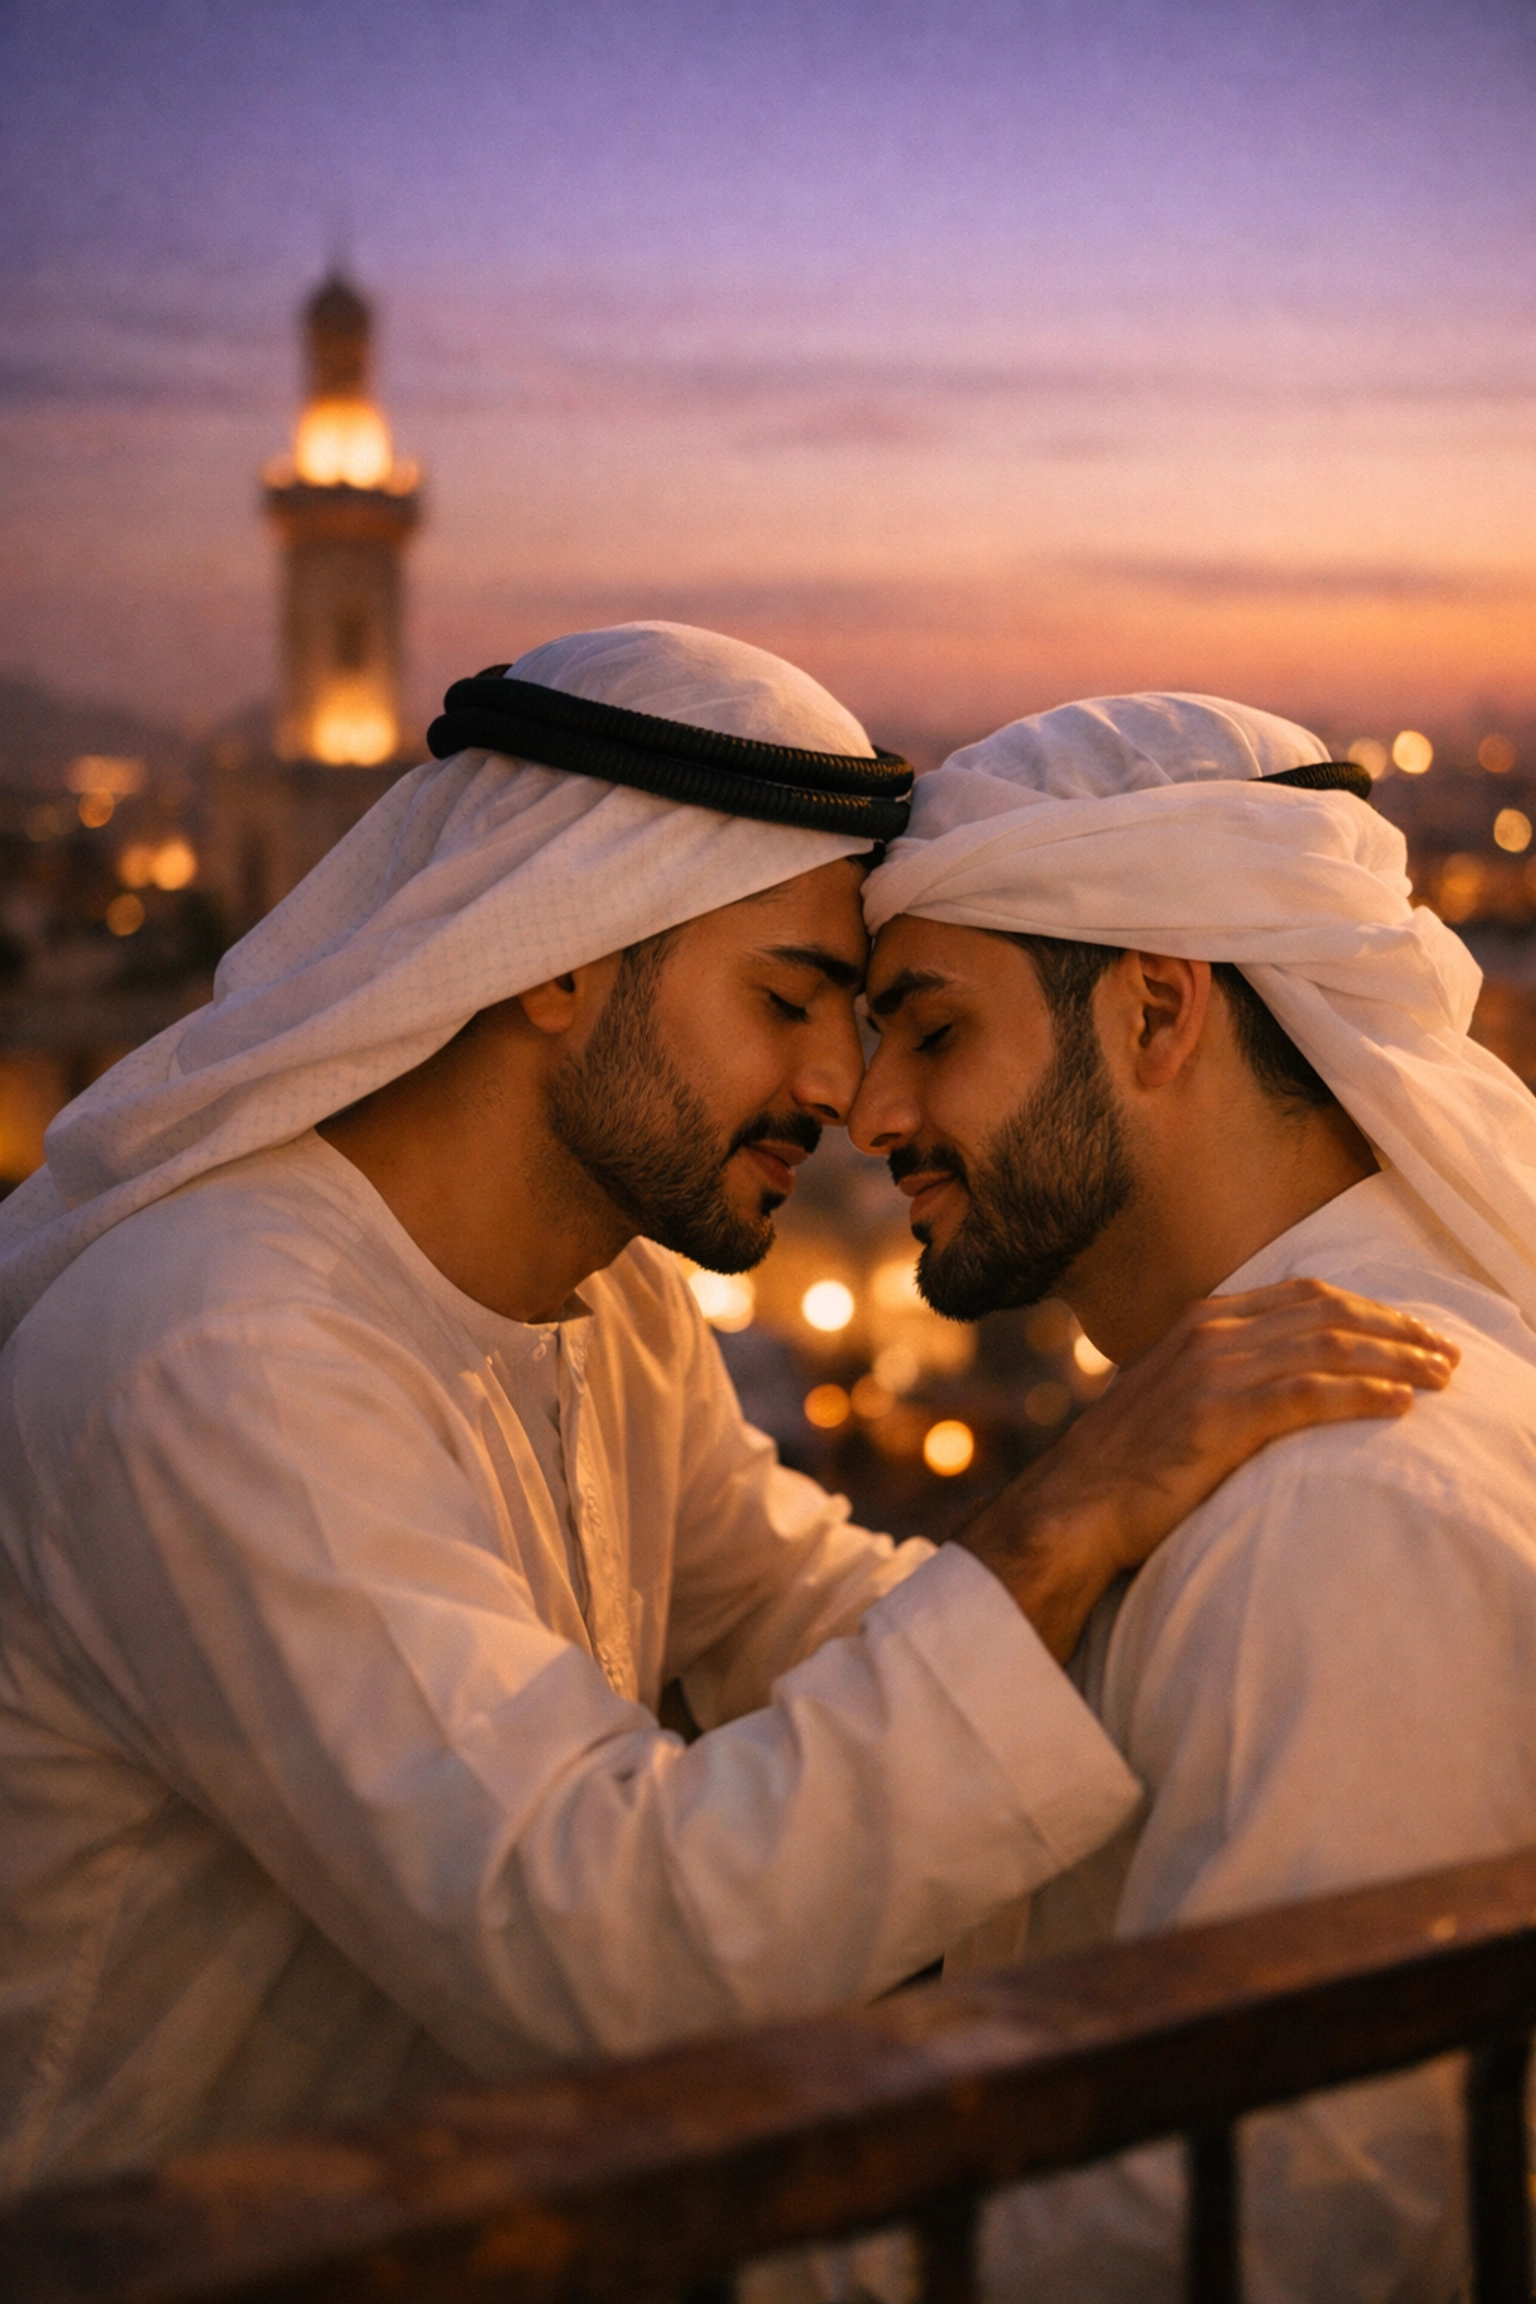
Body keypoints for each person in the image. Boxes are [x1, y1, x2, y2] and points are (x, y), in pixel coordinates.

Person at [0, 638, 1448, 2200]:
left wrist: (1279, 1644)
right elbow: (599, 1947)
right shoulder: (220, 1351)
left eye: (868, 1019)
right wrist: (1063, 1511)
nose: (842, 1086)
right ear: (558, 952)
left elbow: (797, 1615)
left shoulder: (612, 1302)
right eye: (787, 1000)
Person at [849, 691, 1536, 2303]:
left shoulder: (1341, 1497)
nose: (874, 1112)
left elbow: (1296, 2214)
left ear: (1157, 1013)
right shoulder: (1261, 1436)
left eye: (933, 1033)